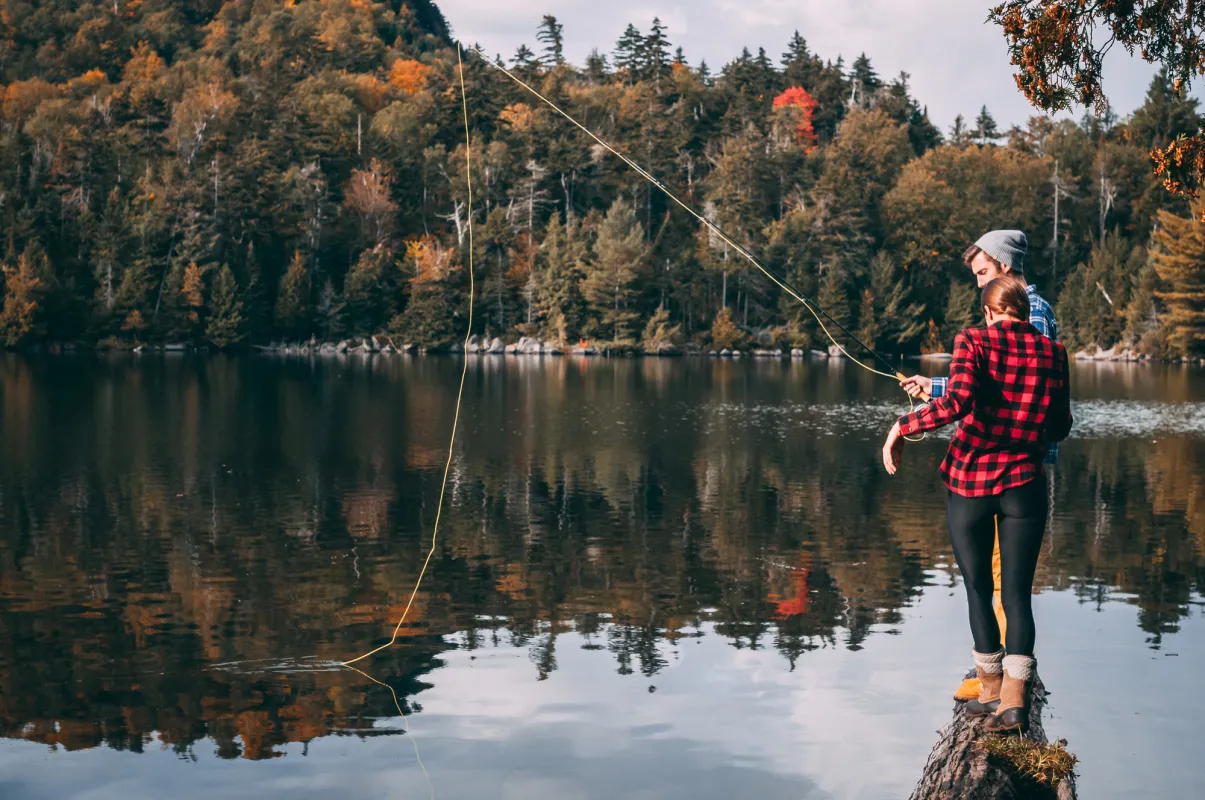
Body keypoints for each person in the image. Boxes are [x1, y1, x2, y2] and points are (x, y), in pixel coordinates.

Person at [882, 275, 1072, 733]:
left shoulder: (974, 340)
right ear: (1025, 313)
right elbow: (1061, 426)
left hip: (972, 480)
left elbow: (959, 400)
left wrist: (904, 426)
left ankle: (988, 690)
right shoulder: (1054, 352)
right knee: (1017, 594)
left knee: (977, 588)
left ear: (989, 312)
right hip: (1025, 483)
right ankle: (1014, 701)